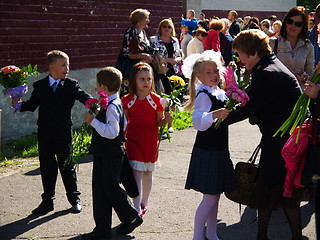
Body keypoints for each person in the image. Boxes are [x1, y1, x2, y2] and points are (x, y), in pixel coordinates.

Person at [223, 29, 302, 240]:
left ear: (252, 52)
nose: (239, 60)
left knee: (278, 191)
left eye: (240, 54)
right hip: (281, 140)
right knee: (274, 191)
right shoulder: (267, 65)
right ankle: (268, 236)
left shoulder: (268, 72)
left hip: (283, 144)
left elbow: (250, 106)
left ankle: (279, 236)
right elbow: (248, 97)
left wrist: (220, 120)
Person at [12, 50, 92, 215]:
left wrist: (97, 104)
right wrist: (17, 103)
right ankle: (47, 201)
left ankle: (74, 199)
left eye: (68, 65)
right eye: (63, 65)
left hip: (63, 133)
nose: (67, 68)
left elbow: (85, 97)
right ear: (51, 67)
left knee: (67, 166)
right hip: (45, 133)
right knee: (47, 167)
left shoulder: (71, 85)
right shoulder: (40, 86)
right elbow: (32, 105)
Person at [82, 67, 142, 239]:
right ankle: (102, 229)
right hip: (105, 152)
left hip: (110, 153)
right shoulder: (112, 103)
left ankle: (131, 217)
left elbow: (112, 132)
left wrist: (93, 121)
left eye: (98, 85)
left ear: (104, 87)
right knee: (100, 190)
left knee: (110, 188)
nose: (96, 88)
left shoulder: (112, 106)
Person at [183, 52, 235, 240]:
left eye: (216, 71)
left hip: (219, 148)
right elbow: (197, 122)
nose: (214, 75)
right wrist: (214, 115)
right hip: (208, 150)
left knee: (216, 195)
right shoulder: (204, 94)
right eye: (208, 73)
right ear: (199, 77)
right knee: (210, 196)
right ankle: (198, 236)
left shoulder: (218, 91)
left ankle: (212, 233)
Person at [121, 63, 170, 216]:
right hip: (134, 140)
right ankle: (136, 206)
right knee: (136, 172)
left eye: (149, 79)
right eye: (142, 79)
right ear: (133, 80)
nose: (146, 82)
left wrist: (168, 117)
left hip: (150, 141)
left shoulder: (157, 100)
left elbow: (160, 122)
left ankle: (145, 201)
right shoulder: (127, 99)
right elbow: (124, 121)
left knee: (148, 172)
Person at [269, 6, 315, 89]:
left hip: (298, 92)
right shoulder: (273, 43)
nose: (293, 26)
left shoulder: (308, 46)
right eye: (290, 22)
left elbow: (310, 73)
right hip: (276, 91)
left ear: (303, 27)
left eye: (298, 24)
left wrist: (305, 77)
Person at [150, 18, 182, 132]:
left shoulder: (174, 41)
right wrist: (168, 59)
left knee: (172, 96)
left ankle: (170, 124)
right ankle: (160, 121)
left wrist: (176, 60)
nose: (166, 29)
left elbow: (179, 55)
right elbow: (155, 56)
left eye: (169, 27)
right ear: (160, 28)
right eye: (164, 26)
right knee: (162, 96)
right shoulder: (154, 40)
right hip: (160, 71)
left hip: (173, 70)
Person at [116, 9, 155, 97]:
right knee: (129, 94)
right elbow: (128, 53)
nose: (148, 21)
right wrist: (144, 56)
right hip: (131, 69)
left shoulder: (144, 33)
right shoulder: (131, 31)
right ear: (139, 19)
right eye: (146, 18)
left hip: (142, 69)